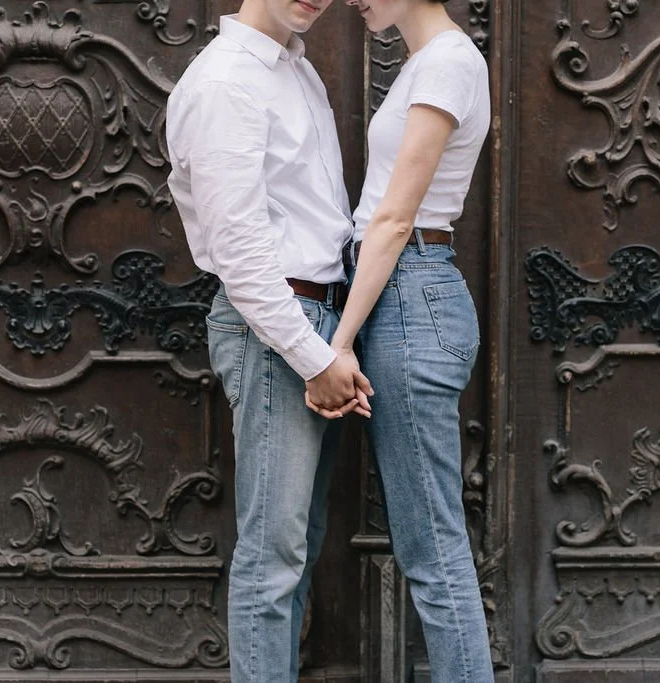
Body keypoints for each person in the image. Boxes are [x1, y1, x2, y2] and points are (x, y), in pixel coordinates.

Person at [166, 0, 373, 680]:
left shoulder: (298, 72)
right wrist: (315, 357)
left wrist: (335, 341)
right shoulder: (227, 80)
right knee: (272, 555)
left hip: (319, 324)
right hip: (277, 330)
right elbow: (241, 252)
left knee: (299, 545)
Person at [307, 0, 495, 680]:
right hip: (402, 292)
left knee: (433, 548)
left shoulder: (447, 61)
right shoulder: (426, 63)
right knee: (429, 544)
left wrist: (340, 341)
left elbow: (392, 216)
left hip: (409, 293)